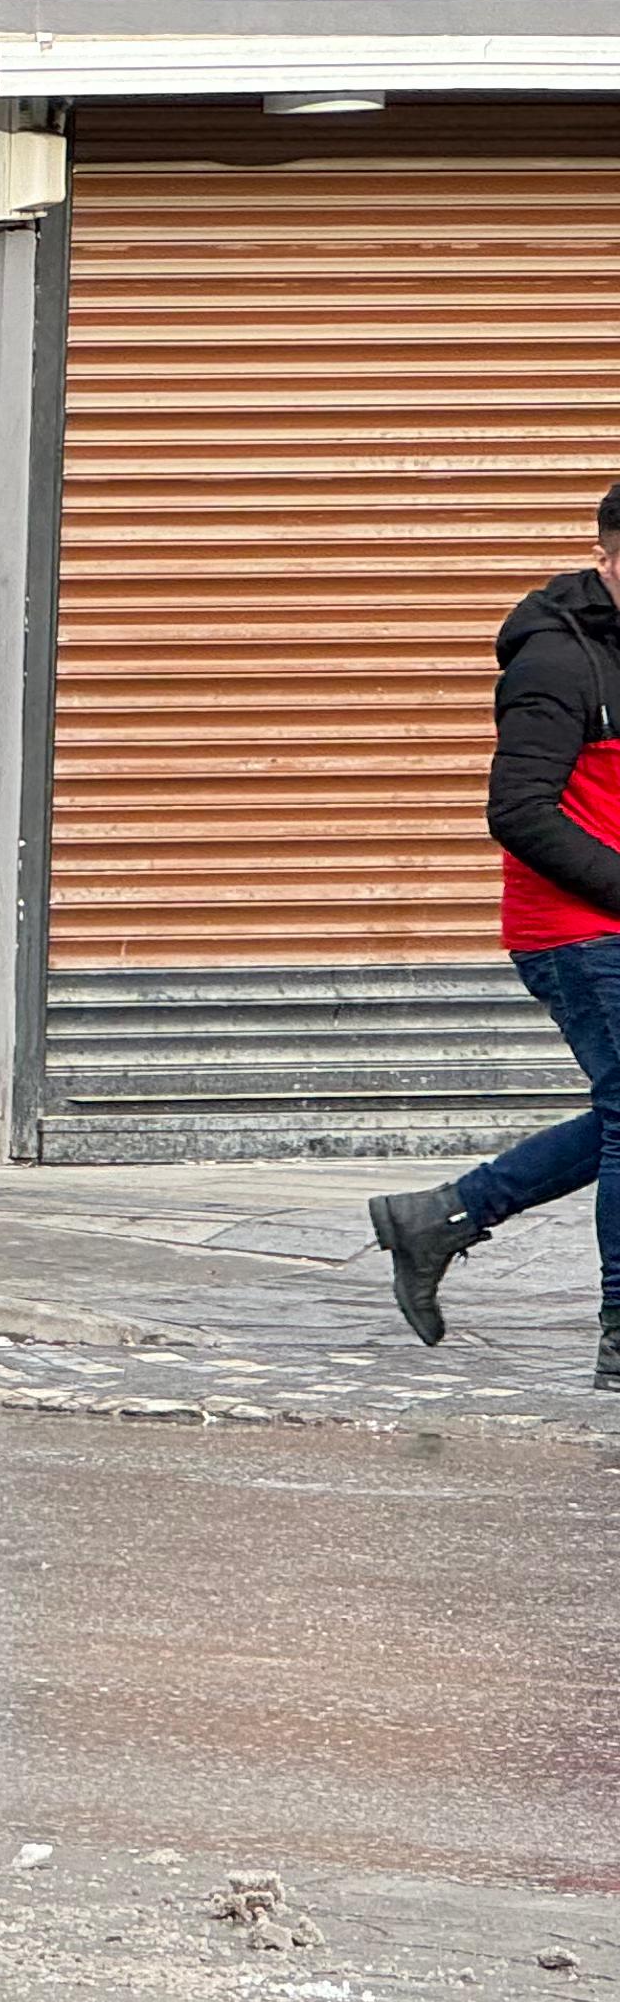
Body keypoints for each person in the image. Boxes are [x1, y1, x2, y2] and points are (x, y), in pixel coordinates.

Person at [367, 484, 620, 1390]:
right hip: (579, 932)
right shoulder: (556, 663)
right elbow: (519, 813)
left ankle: (441, 1217)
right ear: (608, 559)